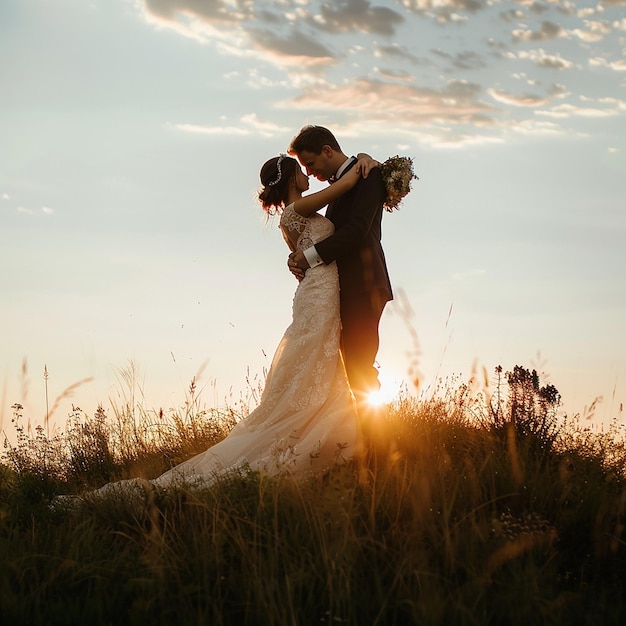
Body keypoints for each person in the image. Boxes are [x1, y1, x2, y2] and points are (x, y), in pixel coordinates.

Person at [54, 153, 375, 509]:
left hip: (317, 291)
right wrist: (365, 159)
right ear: (290, 180)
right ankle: (322, 437)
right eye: (301, 170)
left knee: (320, 366)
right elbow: (347, 184)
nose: (307, 174)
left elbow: (300, 256)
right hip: (319, 296)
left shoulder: (289, 219)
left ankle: (328, 430)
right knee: (318, 364)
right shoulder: (298, 209)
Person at [287, 126, 393, 421]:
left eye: (311, 164)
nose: (309, 172)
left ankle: (376, 449)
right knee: (351, 371)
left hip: (365, 284)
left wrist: (309, 258)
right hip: (341, 289)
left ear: (327, 151)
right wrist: (297, 257)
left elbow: (357, 230)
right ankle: (363, 443)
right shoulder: (341, 184)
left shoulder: (369, 175)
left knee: (361, 368)